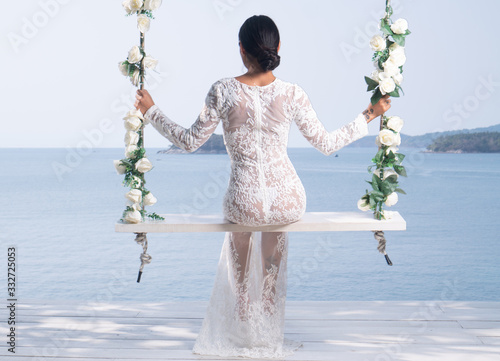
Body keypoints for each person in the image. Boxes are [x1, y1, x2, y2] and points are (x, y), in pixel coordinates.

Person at [135, 14, 390, 359]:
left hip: (244, 200)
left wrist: (151, 111)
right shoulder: (292, 93)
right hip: (288, 198)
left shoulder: (223, 90)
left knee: (241, 243)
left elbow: (190, 141)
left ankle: (243, 318)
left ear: (241, 50)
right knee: (271, 256)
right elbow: (327, 144)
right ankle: (267, 327)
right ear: (277, 48)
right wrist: (368, 116)